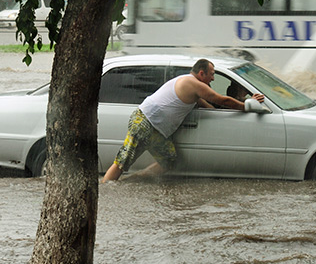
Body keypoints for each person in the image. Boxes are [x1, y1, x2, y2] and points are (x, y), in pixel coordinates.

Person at [101, 59, 264, 182]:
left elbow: (205, 104)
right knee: (122, 162)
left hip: (155, 128)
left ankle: (135, 181)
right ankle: (107, 189)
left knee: (168, 161)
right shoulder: (191, 83)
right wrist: (246, 106)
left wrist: (220, 114)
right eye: (212, 74)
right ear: (202, 73)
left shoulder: (189, 85)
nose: (213, 79)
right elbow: (222, 100)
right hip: (144, 122)